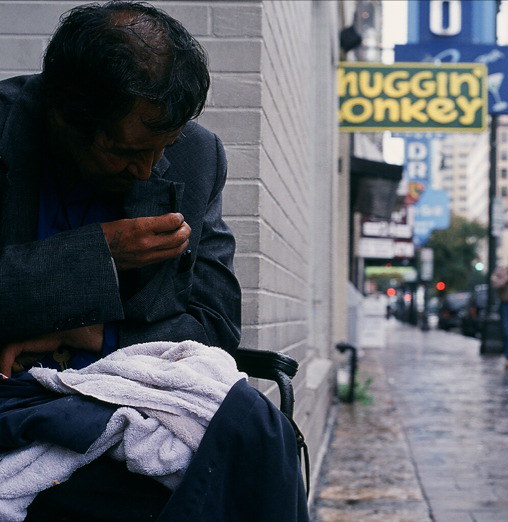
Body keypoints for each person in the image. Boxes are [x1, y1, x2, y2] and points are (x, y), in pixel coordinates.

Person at [0, 2, 306, 519]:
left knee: (260, 434)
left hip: (134, 405)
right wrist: (100, 256)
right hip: (20, 404)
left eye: (162, 146)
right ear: (65, 115)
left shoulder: (196, 155)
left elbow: (215, 326)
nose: (146, 171)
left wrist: (89, 333)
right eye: (125, 151)